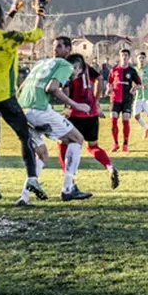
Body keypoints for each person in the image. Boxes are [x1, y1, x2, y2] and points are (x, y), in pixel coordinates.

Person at [0, 0, 48, 204]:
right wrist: (40, 8)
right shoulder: (10, 38)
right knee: (23, 135)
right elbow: (36, 34)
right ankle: (33, 178)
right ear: (1, 20)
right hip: (3, 95)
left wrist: (13, 10)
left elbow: (0, 25)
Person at [18, 52, 94, 204]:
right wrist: (76, 105)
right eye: (77, 74)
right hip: (39, 111)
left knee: (42, 154)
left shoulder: (41, 62)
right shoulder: (66, 65)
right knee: (77, 139)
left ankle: (24, 196)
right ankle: (68, 189)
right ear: (77, 66)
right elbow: (52, 88)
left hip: (23, 111)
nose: (74, 78)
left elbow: (21, 88)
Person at [53, 37, 120, 190]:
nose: (55, 50)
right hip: (91, 112)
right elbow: (99, 78)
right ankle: (109, 167)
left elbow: (66, 87)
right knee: (93, 146)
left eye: (59, 47)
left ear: (68, 49)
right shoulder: (82, 64)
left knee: (62, 143)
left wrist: (68, 103)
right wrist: (95, 101)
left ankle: (70, 181)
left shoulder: (67, 65)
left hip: (75, 113)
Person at [106, 49, 141, 152]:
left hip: (126, 99)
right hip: (115, 98)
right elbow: (109, 82)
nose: (124, 57)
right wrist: (109, 89)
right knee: (113, 120)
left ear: (129, 57)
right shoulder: (114, 70)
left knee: (125, 120)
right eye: (122, 55)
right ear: (120, 57)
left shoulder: (132, 71)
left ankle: (125, 144)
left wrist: (134, 88)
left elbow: (139, 83)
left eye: (126, 55)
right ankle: (115, 143)